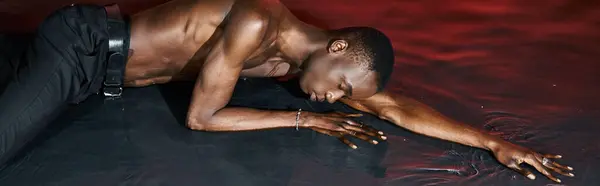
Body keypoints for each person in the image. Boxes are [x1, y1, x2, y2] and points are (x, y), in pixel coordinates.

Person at [0, 0, 573, 183]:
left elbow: (391, 106)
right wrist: (302, 122)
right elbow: (203, 118)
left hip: (101, 79)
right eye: (343, 87)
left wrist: (490, 141)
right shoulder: (258, 22)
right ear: (339, 49)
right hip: (80, 48)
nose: (337, 98)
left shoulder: (298, 65)